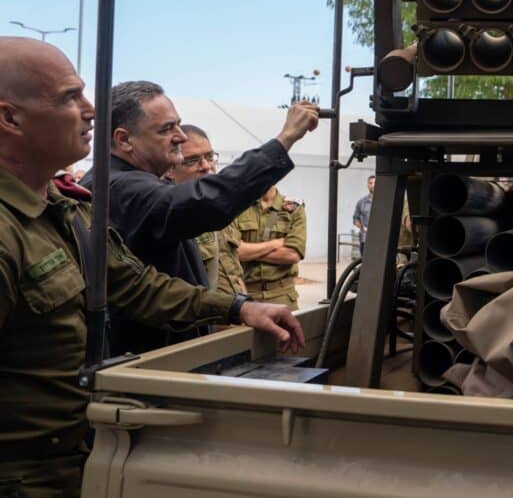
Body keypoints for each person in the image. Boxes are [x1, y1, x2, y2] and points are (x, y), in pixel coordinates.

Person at [0, 37, 305, 496]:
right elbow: (200, 205)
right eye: (69, 97)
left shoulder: (66, 208)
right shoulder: (21, 223)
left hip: (79, 455)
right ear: (9, 118)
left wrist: (240, 309)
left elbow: (137, 286)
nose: (90, 110)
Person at [80, 82, 318, 355]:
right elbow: (205, 202)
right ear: (123, 140)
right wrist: (285, 139)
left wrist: (238, 307)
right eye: (167, 129)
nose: (180, 136)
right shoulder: (118, 188)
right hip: (152, 358)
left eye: (178, 125)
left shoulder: (131, 183)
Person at [166, 124, 247, 295]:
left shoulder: (218, 210)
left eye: (209, 157)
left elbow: (234, 271)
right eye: (192, 160)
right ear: (170, 169)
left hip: (237, 313)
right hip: (206, 315)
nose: (206, 166)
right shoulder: (167, 217)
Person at [236, 185, 307, 310]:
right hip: (245, 294)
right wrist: (274, 244)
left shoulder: (294, 209)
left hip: (282, 295)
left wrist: (249, 252)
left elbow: (293, 254)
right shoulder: (238, 207)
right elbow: (236, 251)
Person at [352, 174, 375, 257]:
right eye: (370, 183)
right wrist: (363, 228)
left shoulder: (383, 202)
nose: (373, 185)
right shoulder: (361, 202)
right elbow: (355, 218)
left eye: (375, 183)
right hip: (365, 239)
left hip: (379, 239)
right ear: (367, 185)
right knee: (365, 262)